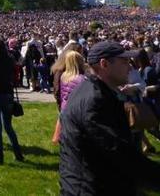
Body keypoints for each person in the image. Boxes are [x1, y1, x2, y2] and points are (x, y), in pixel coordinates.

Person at [60, 41, 160, 194]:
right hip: (90, 188)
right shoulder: (95, 101)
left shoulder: (95, 91)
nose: (130, 66)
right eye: (124, 61)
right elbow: (119, 152)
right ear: (104, 64)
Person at [52, 51, 87, 144]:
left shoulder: (64, 76)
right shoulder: (81, 79)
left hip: (65, 108)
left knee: (65, 133)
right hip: (76, 111)